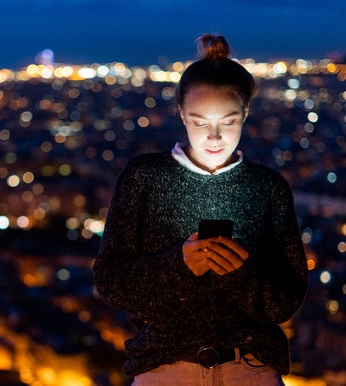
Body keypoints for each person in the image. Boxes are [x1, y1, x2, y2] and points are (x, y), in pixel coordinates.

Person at [92, 34, 309, 386]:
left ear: (246, 114)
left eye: (227, 121)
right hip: (165, 370)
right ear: (181, 113)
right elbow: (111, 282)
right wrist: (178, 265)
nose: (213, 136)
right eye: (199, 121)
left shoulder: (267, 188)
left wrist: (241, 273)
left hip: (250, 371)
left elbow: (286, 300)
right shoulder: (145, 177)